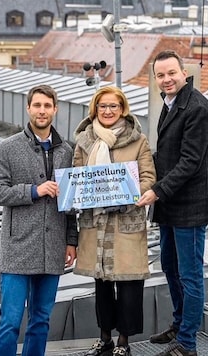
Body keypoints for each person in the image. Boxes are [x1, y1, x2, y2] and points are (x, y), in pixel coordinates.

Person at [139, 50, 208, 356]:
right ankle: (179, 324)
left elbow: (189, 162)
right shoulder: (170, 102)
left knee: (190, 274)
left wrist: (156, 191)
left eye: (171, 73)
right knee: (170, 267)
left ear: (183, 72)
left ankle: (188, 343)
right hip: (171, 204)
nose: (166, 79)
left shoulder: (197, 107)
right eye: (160, 75)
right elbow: (166, 154)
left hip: (190, 205)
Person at [0, 84, 78, 356]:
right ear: (28, 108)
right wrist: (33, 191)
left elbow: (70, 203)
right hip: (17, 250)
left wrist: (71, 241)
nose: (42, 111)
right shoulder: (7, 148)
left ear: (55, 110)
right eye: (37, 105)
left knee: (41, 321)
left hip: (53, 249)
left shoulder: (67, 152)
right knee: (10, 323)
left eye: (47, 106)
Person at [72, 86, 156, 356]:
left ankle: (124, 342)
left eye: (113, 106)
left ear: (123, 109)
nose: (108, 111)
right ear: (94, 109)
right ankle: (105, 338)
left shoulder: (138, 141)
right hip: (95, 223)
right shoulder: (84, 141)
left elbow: (148, 178)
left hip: (125, 222)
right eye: (103, 106)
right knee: (102, 285)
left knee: (129, 285)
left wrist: (128, 195)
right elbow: (76, 176)